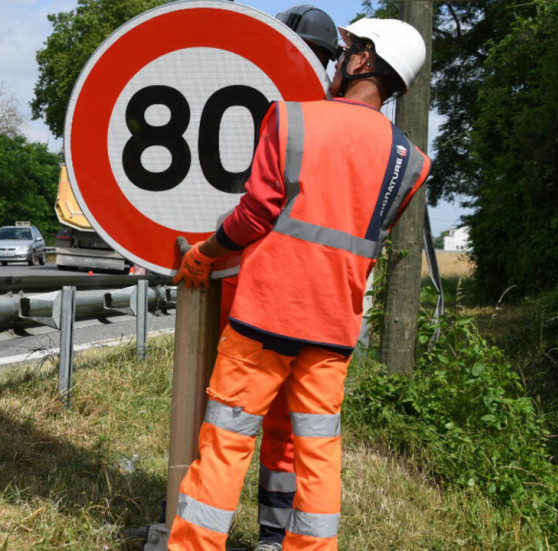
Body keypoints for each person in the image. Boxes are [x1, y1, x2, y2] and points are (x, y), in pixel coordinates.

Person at [169, 17, 430, 551]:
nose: (337, 63)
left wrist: (204, 253)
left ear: (362, 60)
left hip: (264, 316)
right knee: (318, 451)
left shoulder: (292, 119)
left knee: (226, 443)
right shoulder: (412, 162)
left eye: (346, 52)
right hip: (333, 327)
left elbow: (255, 214)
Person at [217, 7, 341, 551]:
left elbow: (258, 208)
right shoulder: (314, 121)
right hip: (293, 298)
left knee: (233, 425)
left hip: (255, 287)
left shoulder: (299, 121)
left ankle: (241, 532)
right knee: (272, 428)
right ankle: (268, 535)